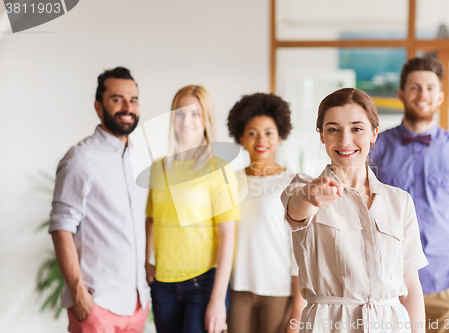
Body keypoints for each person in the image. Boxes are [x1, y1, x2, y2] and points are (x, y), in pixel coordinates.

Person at [282, 88, 428, 333]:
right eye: (333, 129)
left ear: (374, 133)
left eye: (356, 128)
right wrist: (312, 196)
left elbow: (410, 285)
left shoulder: (399, 201)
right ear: (321, 135)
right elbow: (296, 209)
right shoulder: (303, 188)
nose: (345, 140)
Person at [370, 57, 449, 333]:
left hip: (443, 282)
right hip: (388, 281)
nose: (423, 95)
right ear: (401, 94)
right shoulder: (375, 149)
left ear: (440, 97)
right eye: (414, 87)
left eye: (430, 88)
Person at [49, 67, 150, 333]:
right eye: (117, 99)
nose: (128, 106)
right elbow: (61, 229)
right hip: (97, 303)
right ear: (98, 106)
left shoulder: (142, 159)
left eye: (134, 99)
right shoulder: (80, 159)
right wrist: (79, 295)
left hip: (137, 303)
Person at [145, 85, 240, 333]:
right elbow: (151, 219)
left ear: (206, 119)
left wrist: (218, 299)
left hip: (204, 284)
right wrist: (146, 261)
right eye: (179, 113)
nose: (186, 121)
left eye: (195, 113)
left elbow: (227, 234)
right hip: (163, 284)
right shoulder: (158, 168)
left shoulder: (219, 168)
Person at [226, 93, 304, 333]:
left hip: (279, 291)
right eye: (252, 132)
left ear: (280, 136)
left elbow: (300, 250)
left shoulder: (293, 182)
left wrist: (298, 313)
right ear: (241, 137)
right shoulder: (230, 181)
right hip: (239, 289)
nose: (261, 139)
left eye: (269, 132)